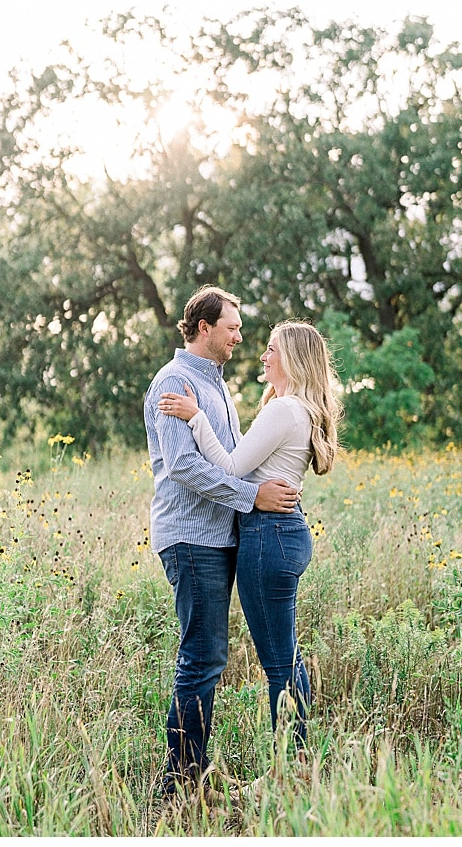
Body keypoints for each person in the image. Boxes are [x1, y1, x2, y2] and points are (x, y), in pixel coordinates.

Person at [142, 285, 299, 801]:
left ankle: (197, 772)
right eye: (232, 326)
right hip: (191, 538)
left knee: (211, 656)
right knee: (203, 656)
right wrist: (254, 497)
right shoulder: (175, 381)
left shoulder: (216, 387)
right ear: (204, 327)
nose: (239, 336)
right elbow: (185, 468)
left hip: (221, 535)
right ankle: (180, 784)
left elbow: (228, 456)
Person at [159, 320, 342, 756]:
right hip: (282, 534)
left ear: (292, 358)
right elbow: (248, 461)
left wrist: (196, 417)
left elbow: (231, 467)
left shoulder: (284, 410)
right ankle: (294, 760)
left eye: (271, 349)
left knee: (279, 663)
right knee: (286, 657)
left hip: (269, 536)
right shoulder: (296, 409)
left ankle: (292, 765)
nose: (262, 355)